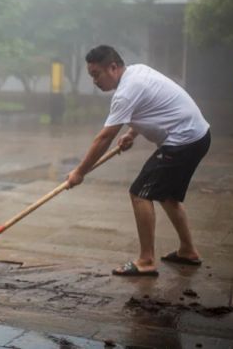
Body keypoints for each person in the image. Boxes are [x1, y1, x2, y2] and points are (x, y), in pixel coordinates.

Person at [67, 45, 211, 277]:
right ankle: (188, 251)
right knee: (166, 195)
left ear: (113, 67)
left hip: (183, 140)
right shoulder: (137, 72)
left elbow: (104, 137)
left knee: (140, 193)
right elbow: (150, 106)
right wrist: (132, 134)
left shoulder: (125, 92)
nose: (94, 81)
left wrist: (80, 172)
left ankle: (145, 261)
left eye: (96, 74)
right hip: (197, 136)